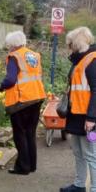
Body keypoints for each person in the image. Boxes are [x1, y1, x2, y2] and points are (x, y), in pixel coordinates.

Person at [0, 31, 46, 175]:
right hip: (37, 97)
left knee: (20, 134)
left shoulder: (14, 57)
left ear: (12, 45)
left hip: (21, 100)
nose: (8, 48)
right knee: (30, 133)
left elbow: (11, 79)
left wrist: (1, 86)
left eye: (8, 45)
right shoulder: (34, 55)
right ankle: (31, 165)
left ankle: (23, 167)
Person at [60, 27, 96, 192]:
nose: (69, 46)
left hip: (88, 118)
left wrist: (91, 118)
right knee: (77, 151)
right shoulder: (79, 61)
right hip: (76, 114)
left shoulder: (93, 61)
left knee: (90, 154)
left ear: (77, 42)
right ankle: (79, 185)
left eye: (70, 43)